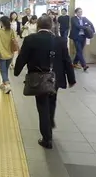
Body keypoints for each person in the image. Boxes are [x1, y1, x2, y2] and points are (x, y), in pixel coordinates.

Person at [14, 15, 76, 149]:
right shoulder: (59, 40)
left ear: (37, 26)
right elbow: (67, 60)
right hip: (55, 78)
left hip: (39, 79)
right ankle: (50, 121)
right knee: (52, 101)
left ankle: (47, 138)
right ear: (51, 26)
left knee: (42, 107)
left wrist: (16, 71)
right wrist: (71, 79)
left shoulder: (31, 39)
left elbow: (22, 57)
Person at [0, 16, 17, 94]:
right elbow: (15, 41)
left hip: (2, 54)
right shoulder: (12, 31)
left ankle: (7, 85)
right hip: (10, 54)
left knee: (3, 71)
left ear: (1, 23)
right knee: (5, 70)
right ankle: (4, 84)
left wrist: (1, 52)